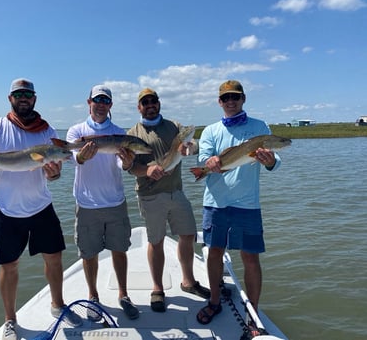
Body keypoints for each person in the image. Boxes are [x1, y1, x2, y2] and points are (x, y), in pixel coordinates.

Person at [0, 78, 81, 340]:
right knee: (9, 265)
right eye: (18, 94)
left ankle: (58, 305)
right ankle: (10, 320)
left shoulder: (47, 132)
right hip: (5, 207)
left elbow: (53, 176)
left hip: (40, 204)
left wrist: (54, 173)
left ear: (35, 98)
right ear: (10, 98)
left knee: (54, 258)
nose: (24, 98)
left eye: (28, 94)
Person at [195, 80, 282, 325]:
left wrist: (270, 161)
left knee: (251, 257)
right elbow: (203, 157)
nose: (230, 101)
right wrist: (210, 162)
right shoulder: (211, 130)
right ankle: (214, 301)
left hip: (247, 204)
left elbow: (275, 162)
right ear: (219, 102)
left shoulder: (260, 127)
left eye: (235, 96)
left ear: (243, 99)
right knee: (214, 252)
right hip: (216, 202)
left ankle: (252, 312)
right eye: (225, 98)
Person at [127, 88, 210, 313]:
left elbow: (194, 146)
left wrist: (189, 147)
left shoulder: (175, 127)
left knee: (188, 234)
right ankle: (157, 288)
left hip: (176, 191)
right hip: (150, 194)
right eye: (145, 102)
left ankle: (188, 281)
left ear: (159, 103)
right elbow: (130, 167)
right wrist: (146, 171)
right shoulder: (133, 133)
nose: (150, 105)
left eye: (153, 101)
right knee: (156, 241)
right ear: (139, 107)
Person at [66, 85, 139, 320]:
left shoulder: (120, 133)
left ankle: (124, 295)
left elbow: (122, 165)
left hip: (115, 202)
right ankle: (93, 296)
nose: (100, 104)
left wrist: (127, 163)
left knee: (120, 249)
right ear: (89, 102)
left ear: (110, 105)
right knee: (89, 253)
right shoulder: (76, 132)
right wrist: (81, 156)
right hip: (86, 204)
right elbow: (71, 159)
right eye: (97, 99)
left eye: (105, 100)